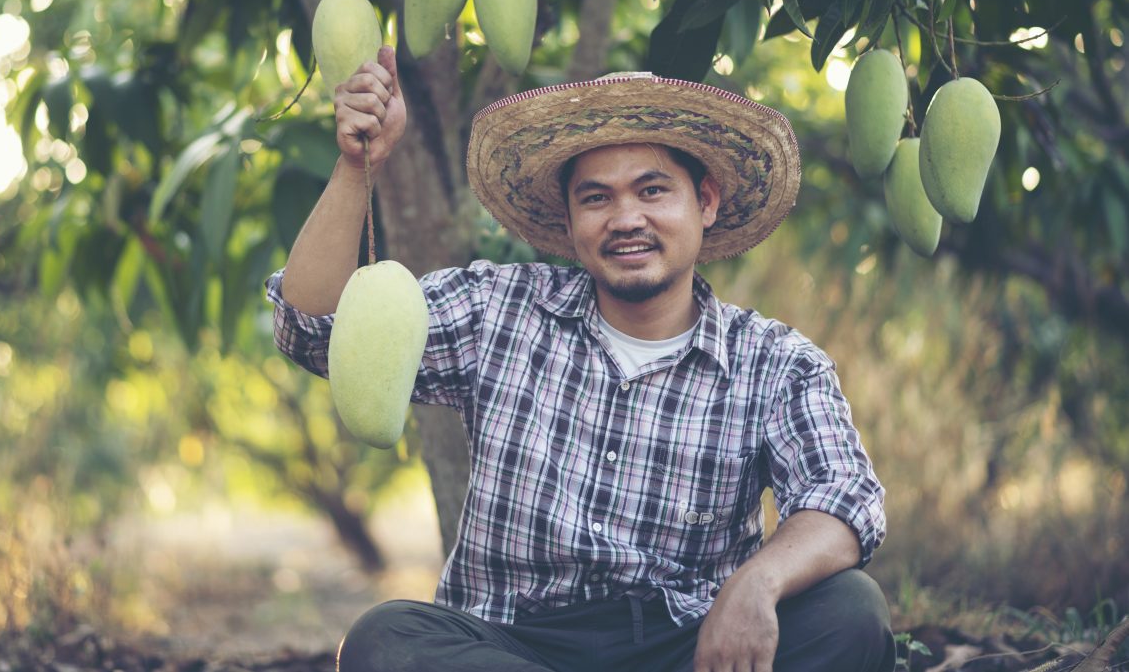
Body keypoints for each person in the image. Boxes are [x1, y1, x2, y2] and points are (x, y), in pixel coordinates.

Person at [265, 45, 894, 672]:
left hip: (688, 647)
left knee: (850, 612)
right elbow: (313, 331)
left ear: (704, 202)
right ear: (569, 221)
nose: (626, 218)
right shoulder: (499, 310)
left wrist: (758, 583)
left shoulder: (773, 362)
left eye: (652, 190)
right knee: (386, 639)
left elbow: (845, 498)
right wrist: (356, 167)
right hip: (514, 646)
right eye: (596, 198)